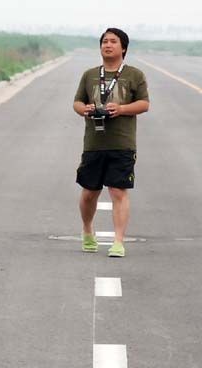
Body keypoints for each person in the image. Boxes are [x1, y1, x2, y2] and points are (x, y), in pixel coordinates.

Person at [73, 28, 149, 258]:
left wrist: (122, 108)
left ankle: (118, 241)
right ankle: (87, 230)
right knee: (89, 192)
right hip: (94, 143)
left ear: (123, 48)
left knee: (118, 191)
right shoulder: (90, 75)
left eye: (113, 41)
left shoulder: (134, 75)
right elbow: (77, 102)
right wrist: (84, 110)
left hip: (123, 143)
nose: (108, 45)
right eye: (104, 41)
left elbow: (144, 104)